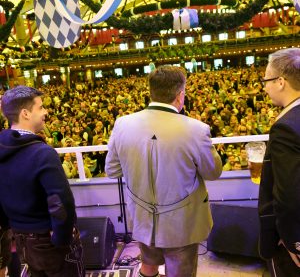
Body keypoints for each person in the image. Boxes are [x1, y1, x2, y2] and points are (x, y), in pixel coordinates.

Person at [105, 66, 222, 277]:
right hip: (182, 223)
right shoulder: (197, 129)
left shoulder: (122, 124)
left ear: (151, 92)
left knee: (148, 265)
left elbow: (112, 170)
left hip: (142, 217)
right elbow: (213, 172)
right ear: (180, 95)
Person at [0, 86, 84, 277]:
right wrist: (63, 237)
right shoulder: (42, 153)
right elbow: (61, 201)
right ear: (25, 113)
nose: (46, 112)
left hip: (21, 240)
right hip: (49, 240)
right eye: (41, 107)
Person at [259, 48, 300, 276]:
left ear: (281, 82)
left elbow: (289, 195)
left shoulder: (285, 126)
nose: (264, 86)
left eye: (266, 79)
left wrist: (294, 242)